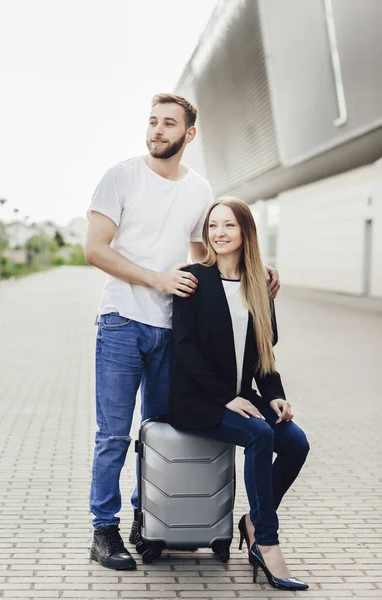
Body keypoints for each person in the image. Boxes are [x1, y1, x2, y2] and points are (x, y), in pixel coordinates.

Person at [85, 94, 280, 571]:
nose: (156, 130)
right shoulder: (121, 177)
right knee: (113, 435)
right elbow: (94, 249)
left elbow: (206, 255)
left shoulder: (199, 189)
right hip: (122, 323)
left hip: (171, 330)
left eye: (168, 123)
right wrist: (157, 279)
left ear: (188, 134)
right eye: (152, 121)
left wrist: (256, 270)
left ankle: (146, 519)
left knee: (160, 433)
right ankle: (103, 530)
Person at [168, 198, 309, 591]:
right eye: (213, 226)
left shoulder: (259, 283)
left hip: (241, 395)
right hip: (197, 399)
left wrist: (276, 395)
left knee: (296, 442)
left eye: (228, 225)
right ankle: (266, 540)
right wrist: (223, 397)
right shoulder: (194, 279)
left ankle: (251, 522)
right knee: (259, 434)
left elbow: (265, 350)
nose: (219, 233)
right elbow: (185, 348)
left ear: (246, 231)